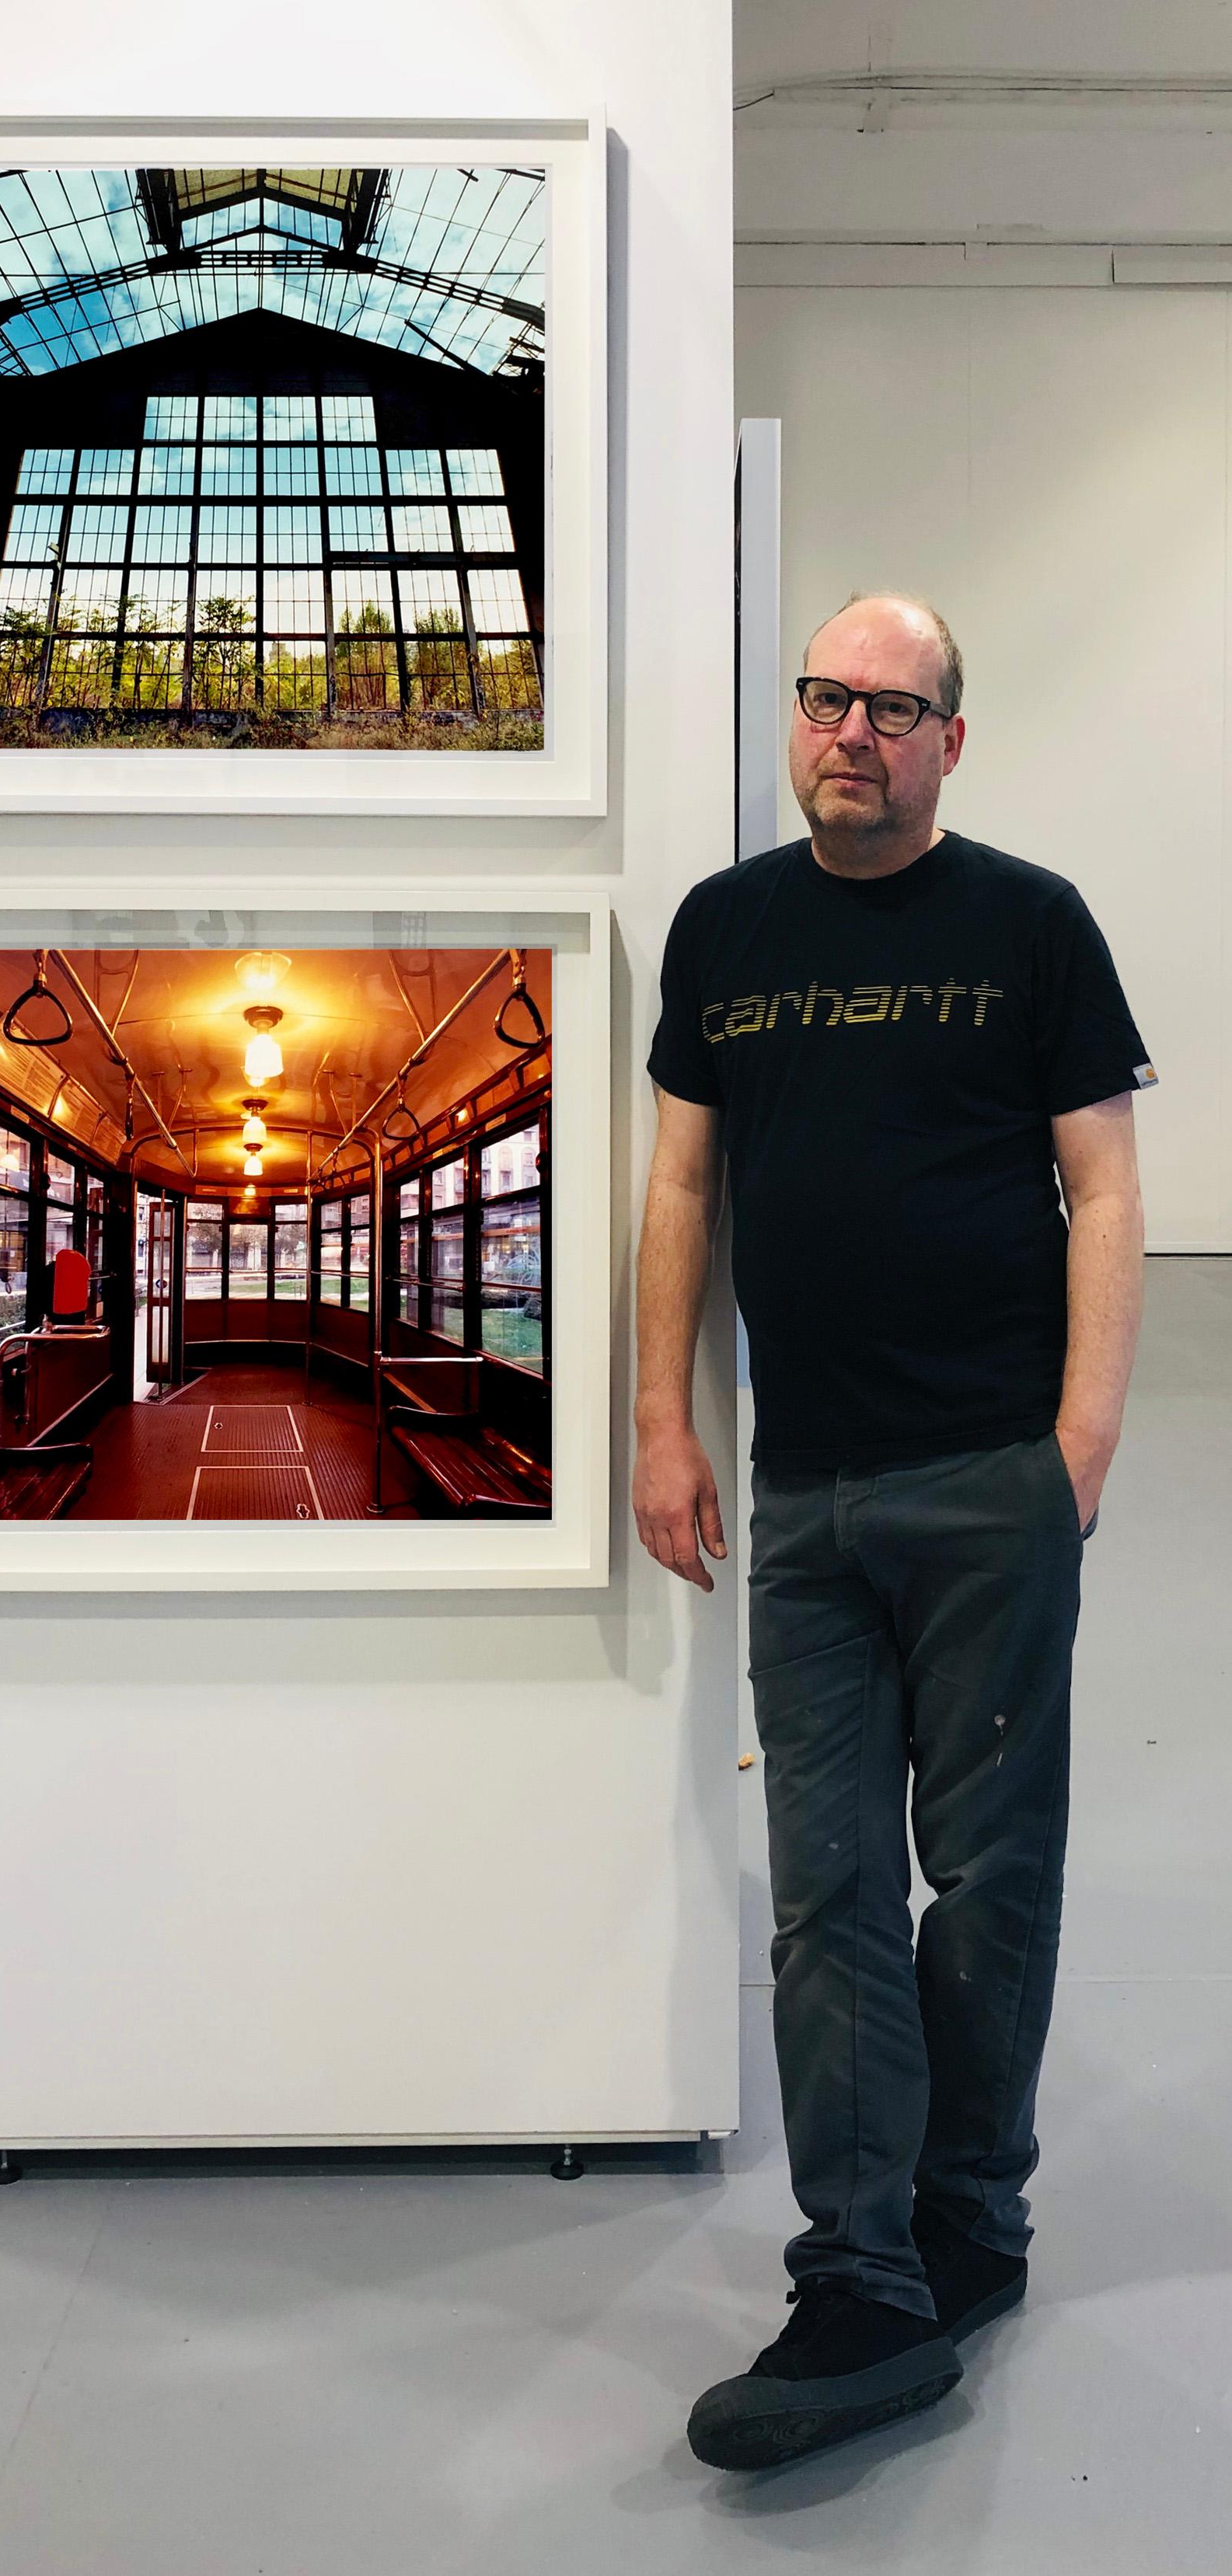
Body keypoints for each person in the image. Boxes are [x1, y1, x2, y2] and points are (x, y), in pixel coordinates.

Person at [634, 591, 1153, 2474]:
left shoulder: (1027, 922)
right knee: (827, 1885)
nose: (848, 728)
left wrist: (1078, 1440)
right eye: (822, 697)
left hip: (983, 1475)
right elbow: (679, 1177)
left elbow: (1100, 1183)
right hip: (804, 1490)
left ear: (948, 737)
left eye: (890, 705)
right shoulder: (723, 926)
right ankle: (857, 2268)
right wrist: (654, 1420)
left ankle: (968, 2222)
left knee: (986, 1871)